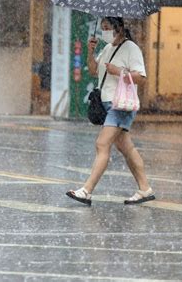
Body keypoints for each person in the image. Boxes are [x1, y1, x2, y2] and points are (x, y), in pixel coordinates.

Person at [66, 17, 155, 205]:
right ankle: (145, 188)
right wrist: (90, 52)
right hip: (107, 104)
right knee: (126, 147)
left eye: (107, 28)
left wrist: (119, 72)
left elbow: (141, 77)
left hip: (120, 105)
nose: (104, 31)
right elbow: (93, 71)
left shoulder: (131, 48)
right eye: (102, 28)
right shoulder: (107, 49)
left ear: (119, 28)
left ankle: (87, 190)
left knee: (102, 144)